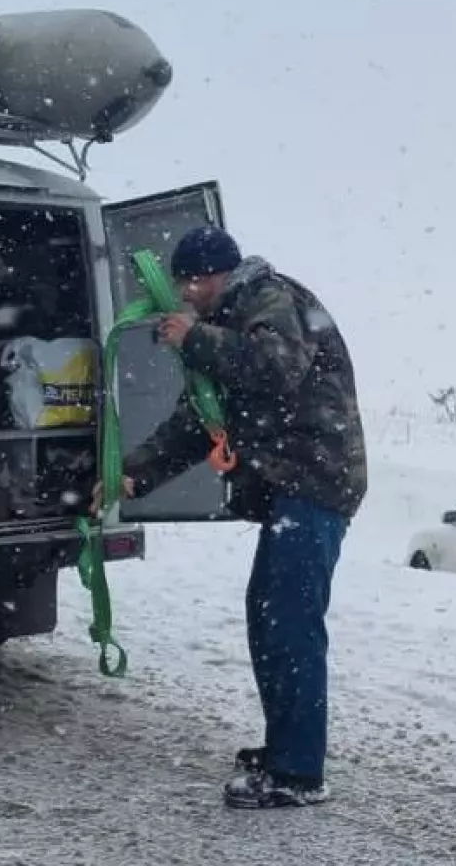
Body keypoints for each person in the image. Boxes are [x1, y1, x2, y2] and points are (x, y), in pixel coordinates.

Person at [97, 225, 367, 809]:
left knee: (291, 624)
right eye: (181, 284)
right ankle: (285, 748)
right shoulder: (228, 323)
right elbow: (200, 419)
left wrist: (197, 339)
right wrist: (134, 473)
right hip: (289, 488)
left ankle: (298, 774)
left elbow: (274, 366)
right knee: (268, 617)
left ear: (217, 275)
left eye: (192, 283)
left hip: (314, 482)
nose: (185, 295)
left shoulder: (272, 301)